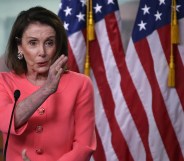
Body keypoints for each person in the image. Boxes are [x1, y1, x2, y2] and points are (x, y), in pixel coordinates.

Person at [0, 6, 96, 161]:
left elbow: (84, 147)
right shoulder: (3, 82)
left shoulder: (81, 84)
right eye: (33, 43)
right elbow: (6, 121)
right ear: (19, 46)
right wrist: (47, 89)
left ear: (57, 45)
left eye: (49, 43)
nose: (42, 52)